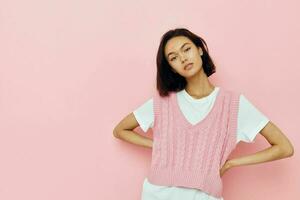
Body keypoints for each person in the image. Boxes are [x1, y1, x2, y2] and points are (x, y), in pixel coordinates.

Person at [113, 28, 294, 200]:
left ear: (200, 50)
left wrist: (232, 163)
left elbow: (285, 147)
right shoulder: (163, 103)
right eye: (174, 57)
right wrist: (158, 144)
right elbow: (120, 130)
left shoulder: (232, 105)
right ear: (172, 68)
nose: (183, 59)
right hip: (158, 194)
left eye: (186, 49)